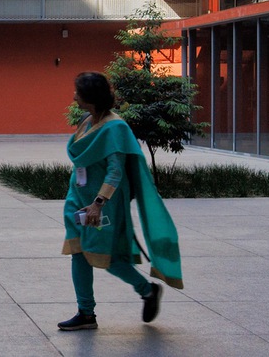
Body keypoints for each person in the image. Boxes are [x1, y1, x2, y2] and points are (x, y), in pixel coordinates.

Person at [58, 71, 184, 333]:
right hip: (76, 200)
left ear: (90, 97)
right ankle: (86, 313)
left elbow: (115, 171)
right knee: (79, 253)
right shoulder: (86, 120)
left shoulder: (115, 128)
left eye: (78, 92)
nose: (73, 95)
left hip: (101, 205)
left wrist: (98, 203)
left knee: (107, 256)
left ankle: (147, 290)